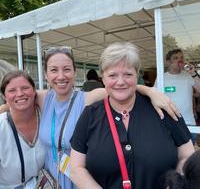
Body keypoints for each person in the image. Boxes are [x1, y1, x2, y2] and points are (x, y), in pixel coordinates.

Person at [70, 42, 195, 189]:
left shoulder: (162, 109)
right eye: (112, 75)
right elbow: (76, 168)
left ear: (137, 75)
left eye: (128, 74)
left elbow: (187, 156)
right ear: (102, 78)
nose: (120, 82)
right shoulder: (90, 115)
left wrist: (175, 183)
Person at [0, 70, 45, 189]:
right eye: (12, 90)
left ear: (35, 91)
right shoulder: (2, 126)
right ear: (4, 96)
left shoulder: (46, 116)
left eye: (25, 88)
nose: (20, 94)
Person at [154, 49, 200, 144]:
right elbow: (154, 98)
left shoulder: (188, 75)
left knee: (190, 157)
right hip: (170, 124)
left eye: (181, 57)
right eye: (175, 58)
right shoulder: (162, 78)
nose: (180, 60)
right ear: (168, 62)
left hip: (189, 124)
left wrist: (194, 73)